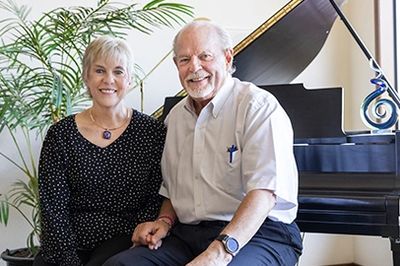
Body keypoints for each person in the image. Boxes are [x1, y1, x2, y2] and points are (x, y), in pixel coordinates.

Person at [104, 20, 303, 266]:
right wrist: (164, 221)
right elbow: (174, 190)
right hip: (189, 235)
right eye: (184, 60)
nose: (195, 67)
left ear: (228, 58)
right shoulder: (175, 118)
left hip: (260, 234)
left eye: (205, 56)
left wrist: (218, 252)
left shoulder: (258, 107)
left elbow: (264, 194)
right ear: (176, 65)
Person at [33, 36, 166, 266]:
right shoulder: (61, 134)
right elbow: (53, 209)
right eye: (100, 70)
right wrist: (68, 261)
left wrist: (140, 235)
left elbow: (157, 198)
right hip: (68, 243)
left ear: (130, 79)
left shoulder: (152, 132)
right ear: (86, 76)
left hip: (128, 243)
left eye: (118, 72)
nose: (109, 80)